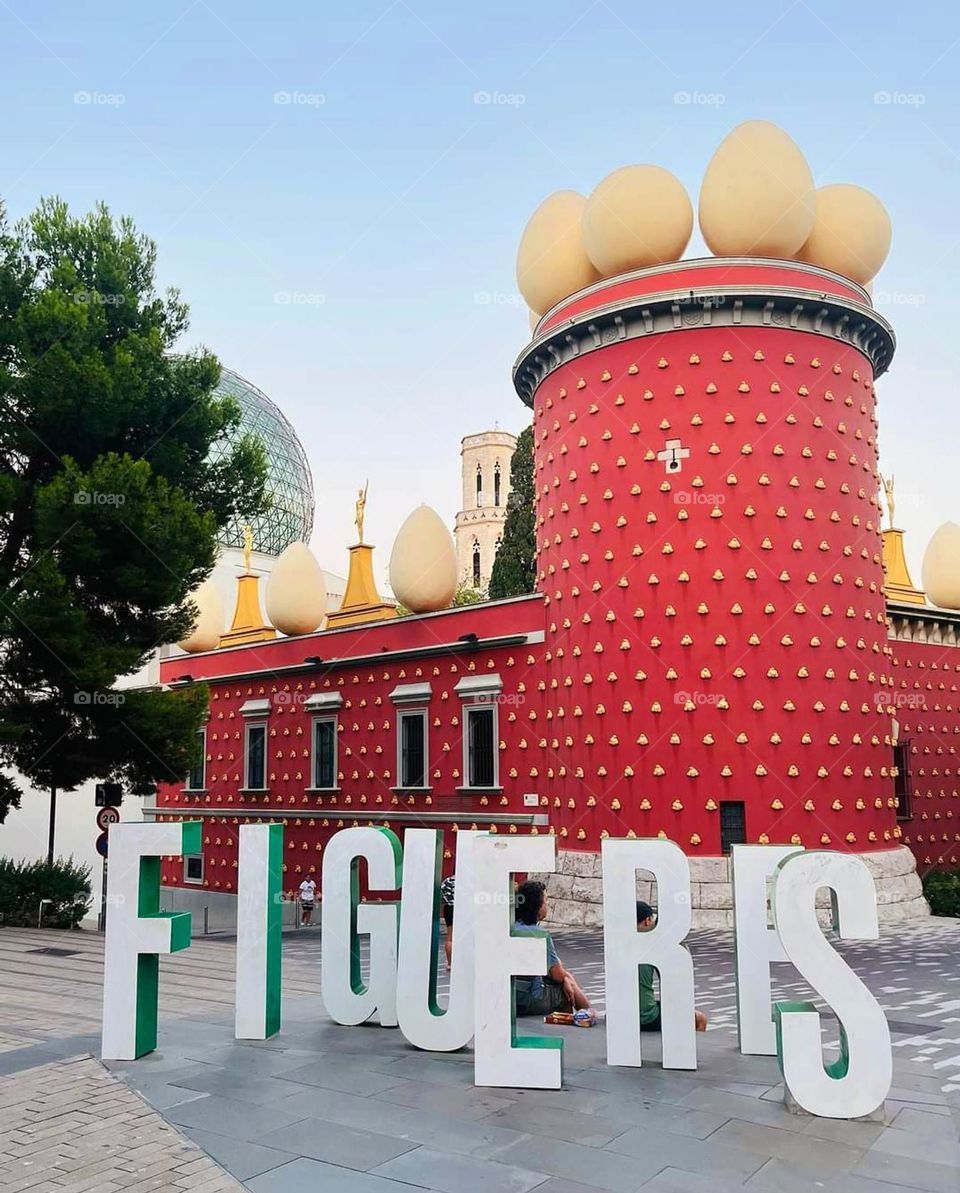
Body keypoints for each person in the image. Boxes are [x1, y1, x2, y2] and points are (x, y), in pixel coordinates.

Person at [513, 880, 593, 1018]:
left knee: (566, 979)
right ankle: (585, 1015)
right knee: (565, 992)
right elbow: (558, 975)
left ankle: (587, 1011)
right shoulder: (540, 935)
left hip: (512, 994)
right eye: (545, 901)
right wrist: (565, 980)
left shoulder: (513, 928)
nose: (547, 905)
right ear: (536, 907)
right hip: (530, 999)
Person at [637, 901, 708, 1032]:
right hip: (644, 1017)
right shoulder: (654, 946)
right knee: (700, 1018)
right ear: (647, 920)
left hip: (618, 1013)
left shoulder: (621, 943)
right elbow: (674, 988)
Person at [440, 874, 455, 969]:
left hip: (449, 908)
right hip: (464, 908)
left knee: (450, 937)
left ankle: (450, 963)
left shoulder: (447, 881)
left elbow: (441, 893)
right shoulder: (467, 880)